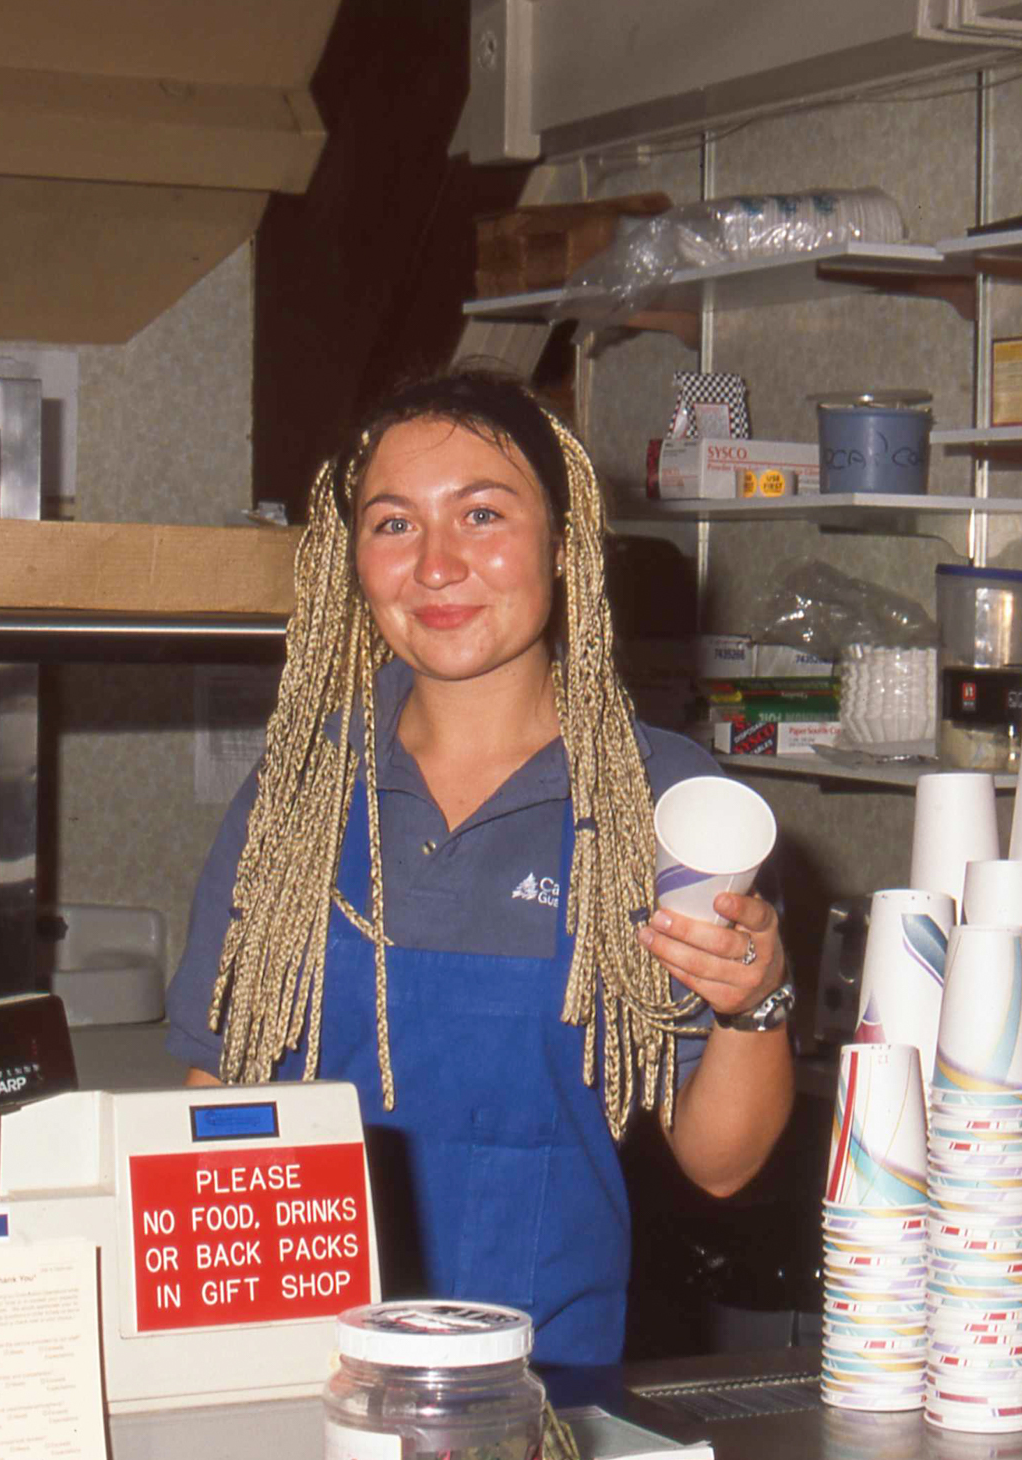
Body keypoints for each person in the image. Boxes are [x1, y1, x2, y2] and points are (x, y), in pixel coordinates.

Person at [164, 370, 794, 1366]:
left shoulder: (657, 802)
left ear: (560, 543)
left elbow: (721, 1166)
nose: (437, 565)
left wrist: (752, 1001)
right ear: (351, 560)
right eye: (394, 525)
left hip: (545, 1380)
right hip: (291, 1371)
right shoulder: (299, 794)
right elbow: (211, 1098)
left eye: (482, 515)